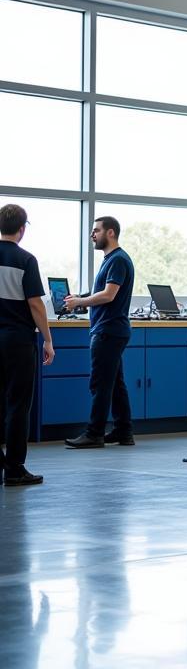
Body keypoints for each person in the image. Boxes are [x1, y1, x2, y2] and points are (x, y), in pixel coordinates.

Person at [64, 216, 136, 449]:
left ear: (111, 233)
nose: (93, 235)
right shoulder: (112, 260)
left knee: (100, 383)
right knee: (115, 383)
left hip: (108, 330)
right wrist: (80, 299)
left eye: (96, 230)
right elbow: (102, 292)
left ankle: (94, 433)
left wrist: (80, 302)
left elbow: (108, 295)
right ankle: (123, 432)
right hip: (112, 329)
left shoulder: (117, 260)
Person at [0, 204, 54, 486]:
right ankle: (15, 468)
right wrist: (47, 339)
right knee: (17, 404)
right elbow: (35, 303)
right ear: (22, 229)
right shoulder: (25, 260)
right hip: (17, 341)